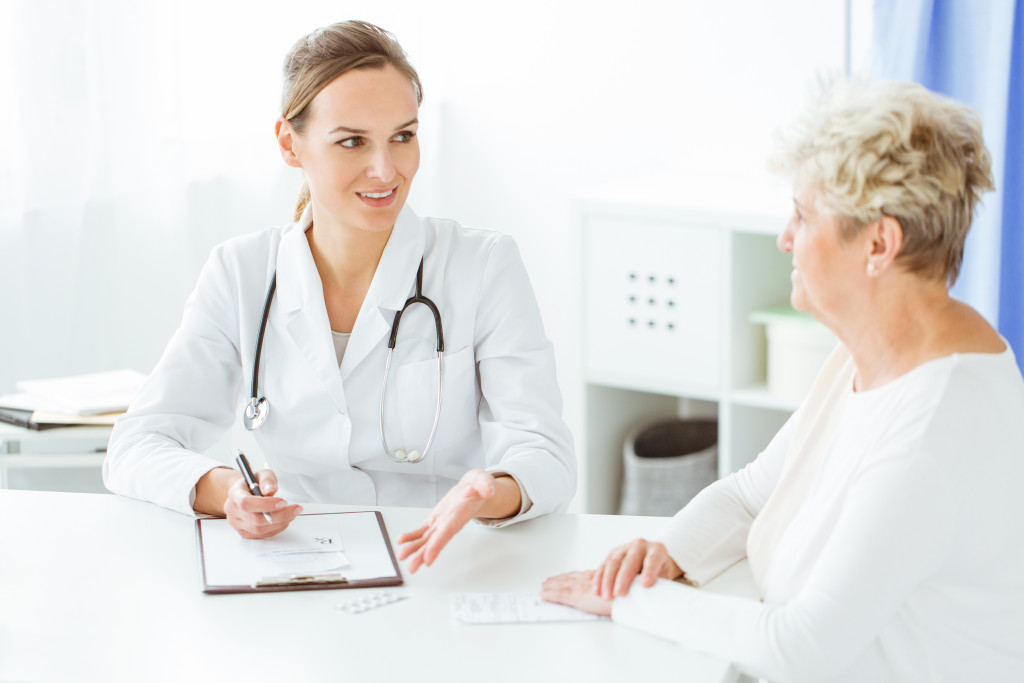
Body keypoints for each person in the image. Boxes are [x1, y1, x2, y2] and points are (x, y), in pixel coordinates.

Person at [542, 80, 1024, 682]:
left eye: (802, 215)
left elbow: (800, 646)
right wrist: (665, 555)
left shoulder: (931, 431)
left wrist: (627, 600)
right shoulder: (874, 354)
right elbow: (751, 494)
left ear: (879, 244)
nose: (785, 239)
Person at [103, 20, 575, 572]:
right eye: (352, 141)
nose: (386, 170)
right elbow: (136, 447)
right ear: (289, 143)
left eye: (403, 136)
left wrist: (489, 491)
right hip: (296, 563)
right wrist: (225, 488)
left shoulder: (481, 265)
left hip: (443, 561)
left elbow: (547, 455)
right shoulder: (241, 272)